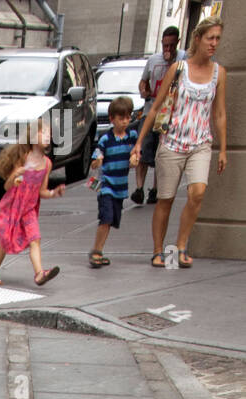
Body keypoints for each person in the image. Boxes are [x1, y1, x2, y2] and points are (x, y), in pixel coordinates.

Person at [130, 18, 227, 269]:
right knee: (166, 199)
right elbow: (155, 108)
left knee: (198, 193)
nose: (214, 44)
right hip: (172, 142)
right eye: (210, 38)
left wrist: (223, 149)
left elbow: (219, 113)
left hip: (201, 143)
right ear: (198, 39)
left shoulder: (219, 73)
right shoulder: (179, 69)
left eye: (217, 38)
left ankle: (180, 247)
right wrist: (139, 143)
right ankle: (158, 250)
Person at [0, 121, 64, 287]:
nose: (46, 137)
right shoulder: (24, 157)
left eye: (48, 134)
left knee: (35, 239)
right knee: (5, 242)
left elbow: (42, 191)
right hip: (13, 206)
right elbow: (7, 186)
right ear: (32, 136)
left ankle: (39, 274)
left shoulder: (47, 164)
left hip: (29, 209)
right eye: (42, 133)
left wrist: (53, 193)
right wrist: (16, 175)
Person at [133, 26, 184, 204]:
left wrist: (172, 63)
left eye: (171, 46)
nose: (167, 50)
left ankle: (154, 189)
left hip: (169, 114)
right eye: (164, 46)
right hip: (150, 110)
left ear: (177, 43)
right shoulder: (153, 60)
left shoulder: (183, 59)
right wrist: (143, 90)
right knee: (144, 150)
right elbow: (143, 81)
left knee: (160, 154)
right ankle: (139, 188)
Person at [87, 97, 138, 267]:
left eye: (127, 118)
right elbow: (95, 159)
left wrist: (135, 158)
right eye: (121, 118)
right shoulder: (105, 139)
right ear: (112, 119)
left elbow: (137, 153)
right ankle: (96, 251)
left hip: (120, 187)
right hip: (106, 186)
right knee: (106, 218)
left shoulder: (132, 136)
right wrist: (97, 161)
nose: (125, 122)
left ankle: (99, 250)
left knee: (111, 221)